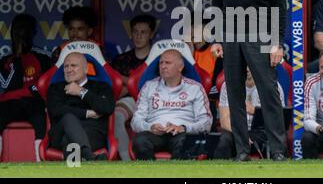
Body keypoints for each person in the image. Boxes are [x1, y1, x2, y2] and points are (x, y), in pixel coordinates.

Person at [212, 0, 288, 161]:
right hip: (232, 34)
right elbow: (217, 4)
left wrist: (277, 43)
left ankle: (277, 149)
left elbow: (279, 7)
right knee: (234, 92)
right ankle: (242, 150)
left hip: (261, 34)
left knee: (268, 92)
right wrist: (216, 38)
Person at [131, 49, 212, 160]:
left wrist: (184, 128)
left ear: (180, 67)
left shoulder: (195, 88)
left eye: (168, 63)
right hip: (155, 134)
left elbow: (206, 122)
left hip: (182, 134)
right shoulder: (149, 86)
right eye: (161, 63)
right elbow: (135, 121)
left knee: (186, 142)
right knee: (139, 141)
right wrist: (150, 127)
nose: (163, 66)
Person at [0, 14, 51, 162]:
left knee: (40, 114)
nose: (20, 34)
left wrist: (24, 92)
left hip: (34, 103)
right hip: (9, 105)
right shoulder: (5, 60)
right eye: (17, 30)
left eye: (25, 30)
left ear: (33, 33)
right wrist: (17, 59)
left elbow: (42, 87)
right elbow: (7, 86)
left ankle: (39, 159)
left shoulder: (44, 57)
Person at [47, 52, 115, 161]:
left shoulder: (101, 86)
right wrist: (87, 113)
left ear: (86, 69)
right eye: (66, 66)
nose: (69, 69)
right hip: (59, 133)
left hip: (92, 134)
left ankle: (76, 173)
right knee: (68, 117)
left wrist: (82, 92)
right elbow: (56, 110)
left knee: (68, 140)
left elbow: (107, 107)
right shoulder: (55, 88)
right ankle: (89, 157)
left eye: (73, 65)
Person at [111, 14, 157, 161]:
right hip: (129, 100)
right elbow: (115, 86)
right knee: (117, 115)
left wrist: (128, 83)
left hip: (153, 100)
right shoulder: (121, 59)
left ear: (151, 34)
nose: (138, 35)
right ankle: (126, 161)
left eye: (143, 32)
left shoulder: (159, 60)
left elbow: (154, 85)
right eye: (135, 31)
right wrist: (131, 85)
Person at [214, 68, 285, 159]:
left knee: (275, 138)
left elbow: (279, 119)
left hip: (262, 131)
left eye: (249, 64)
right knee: (224, 140)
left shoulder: (272, 86)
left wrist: (255, 111)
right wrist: (242, 134)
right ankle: (221, 169)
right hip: (235, 131)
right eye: (244, 64)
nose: (246, 69)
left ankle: (275, 167)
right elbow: (224, 121)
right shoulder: (228, 85)